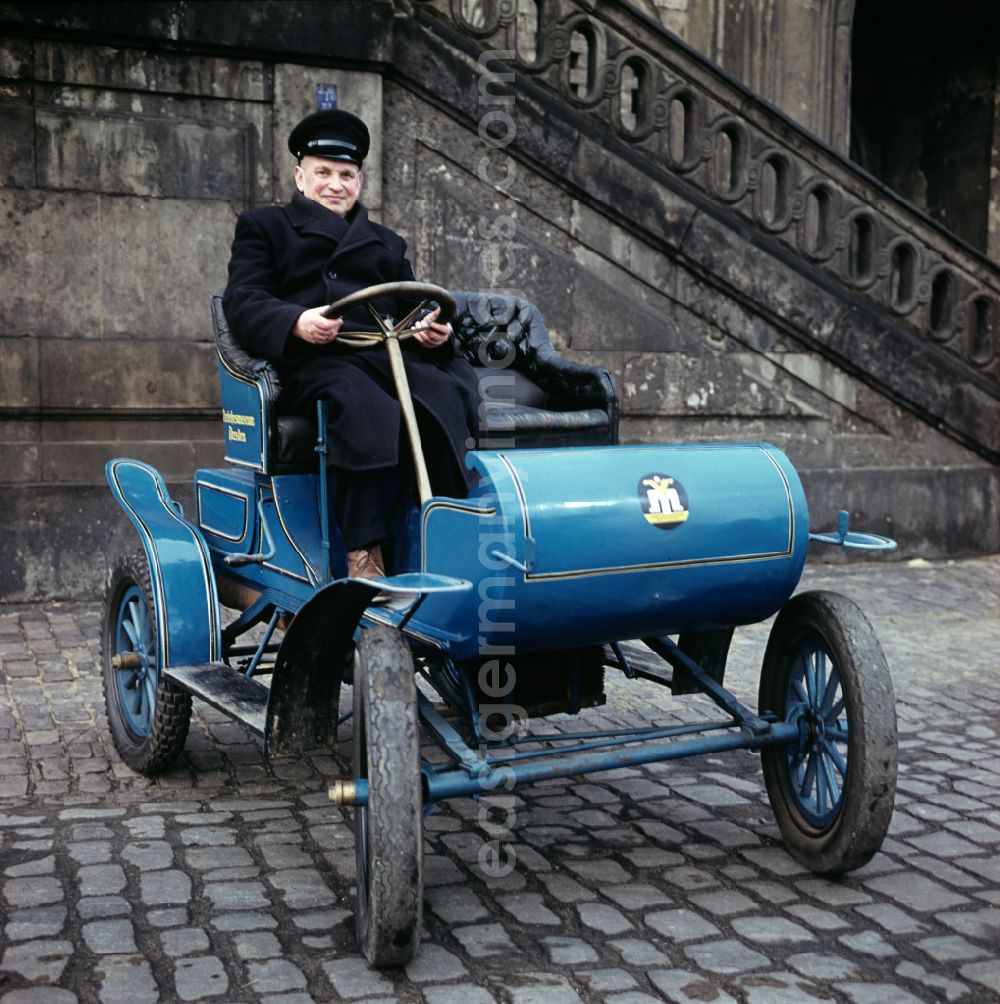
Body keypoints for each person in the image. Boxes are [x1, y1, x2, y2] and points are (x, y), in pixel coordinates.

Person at [223, 109, 480, 583]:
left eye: (346, 175)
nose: (335, 184)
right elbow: (244, 299)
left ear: (359, 181)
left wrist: (432, 329)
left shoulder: (386, 242)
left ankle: (453, 533)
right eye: (323, 173)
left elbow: (413, 303)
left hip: (387, 355)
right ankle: (365, 554)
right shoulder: (265, 227)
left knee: (444, 395)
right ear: (301, 177)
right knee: (363, 406)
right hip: (316, 362)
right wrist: (296, 321)